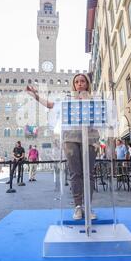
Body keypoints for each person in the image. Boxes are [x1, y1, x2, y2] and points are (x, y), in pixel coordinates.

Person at [27, 73, 99, 220]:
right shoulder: (67, 99)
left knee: (89, 173)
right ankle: (78, 206)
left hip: (90, 138)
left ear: (87, 84)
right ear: (74, 85)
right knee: (75, 173)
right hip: (71, 139)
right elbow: (50, 105)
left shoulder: (94, 99)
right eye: (77, 81)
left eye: (82, 81)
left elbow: (102, 115)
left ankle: (88, 206)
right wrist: (35, 96)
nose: (79, 83)